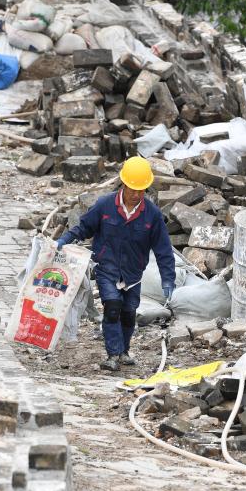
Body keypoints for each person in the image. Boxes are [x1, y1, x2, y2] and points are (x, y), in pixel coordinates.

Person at [56, 156, 176, 371]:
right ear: (123, 184)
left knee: (129, 313)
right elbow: (84, 227)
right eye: (132, 189)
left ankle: (124, 351)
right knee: (112, 308)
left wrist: (168, 278)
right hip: (107, 269)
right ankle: (112, 354)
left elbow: (163, 250)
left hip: (133, 274)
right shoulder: (105, 205)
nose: (136, 195)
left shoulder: (152, 215)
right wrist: (65, 239)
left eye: (141, 190)